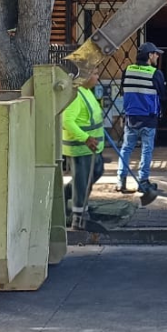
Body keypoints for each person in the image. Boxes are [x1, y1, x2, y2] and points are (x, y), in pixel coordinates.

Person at [118, 42, 166, 194]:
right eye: (155, 53)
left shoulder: (127, 70)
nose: (157, 56)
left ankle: (121, 181)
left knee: (126, 149)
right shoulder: (155, 73)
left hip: (131, 117)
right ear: (150, 55)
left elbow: (122, 91)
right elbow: (163, 96)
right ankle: (143, 182)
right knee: (146, 150)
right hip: (148, 118)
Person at [62, 60, 105, 229]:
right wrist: (85, 138)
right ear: (85, 76)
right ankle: (78, 217)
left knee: (95, 173)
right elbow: (67, 121)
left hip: (92, 147)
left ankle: (65, 196)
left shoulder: (87, 91)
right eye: (95, 73)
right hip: (81, 148)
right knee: (82, 182)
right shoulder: (76, 96)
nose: (97, 77)